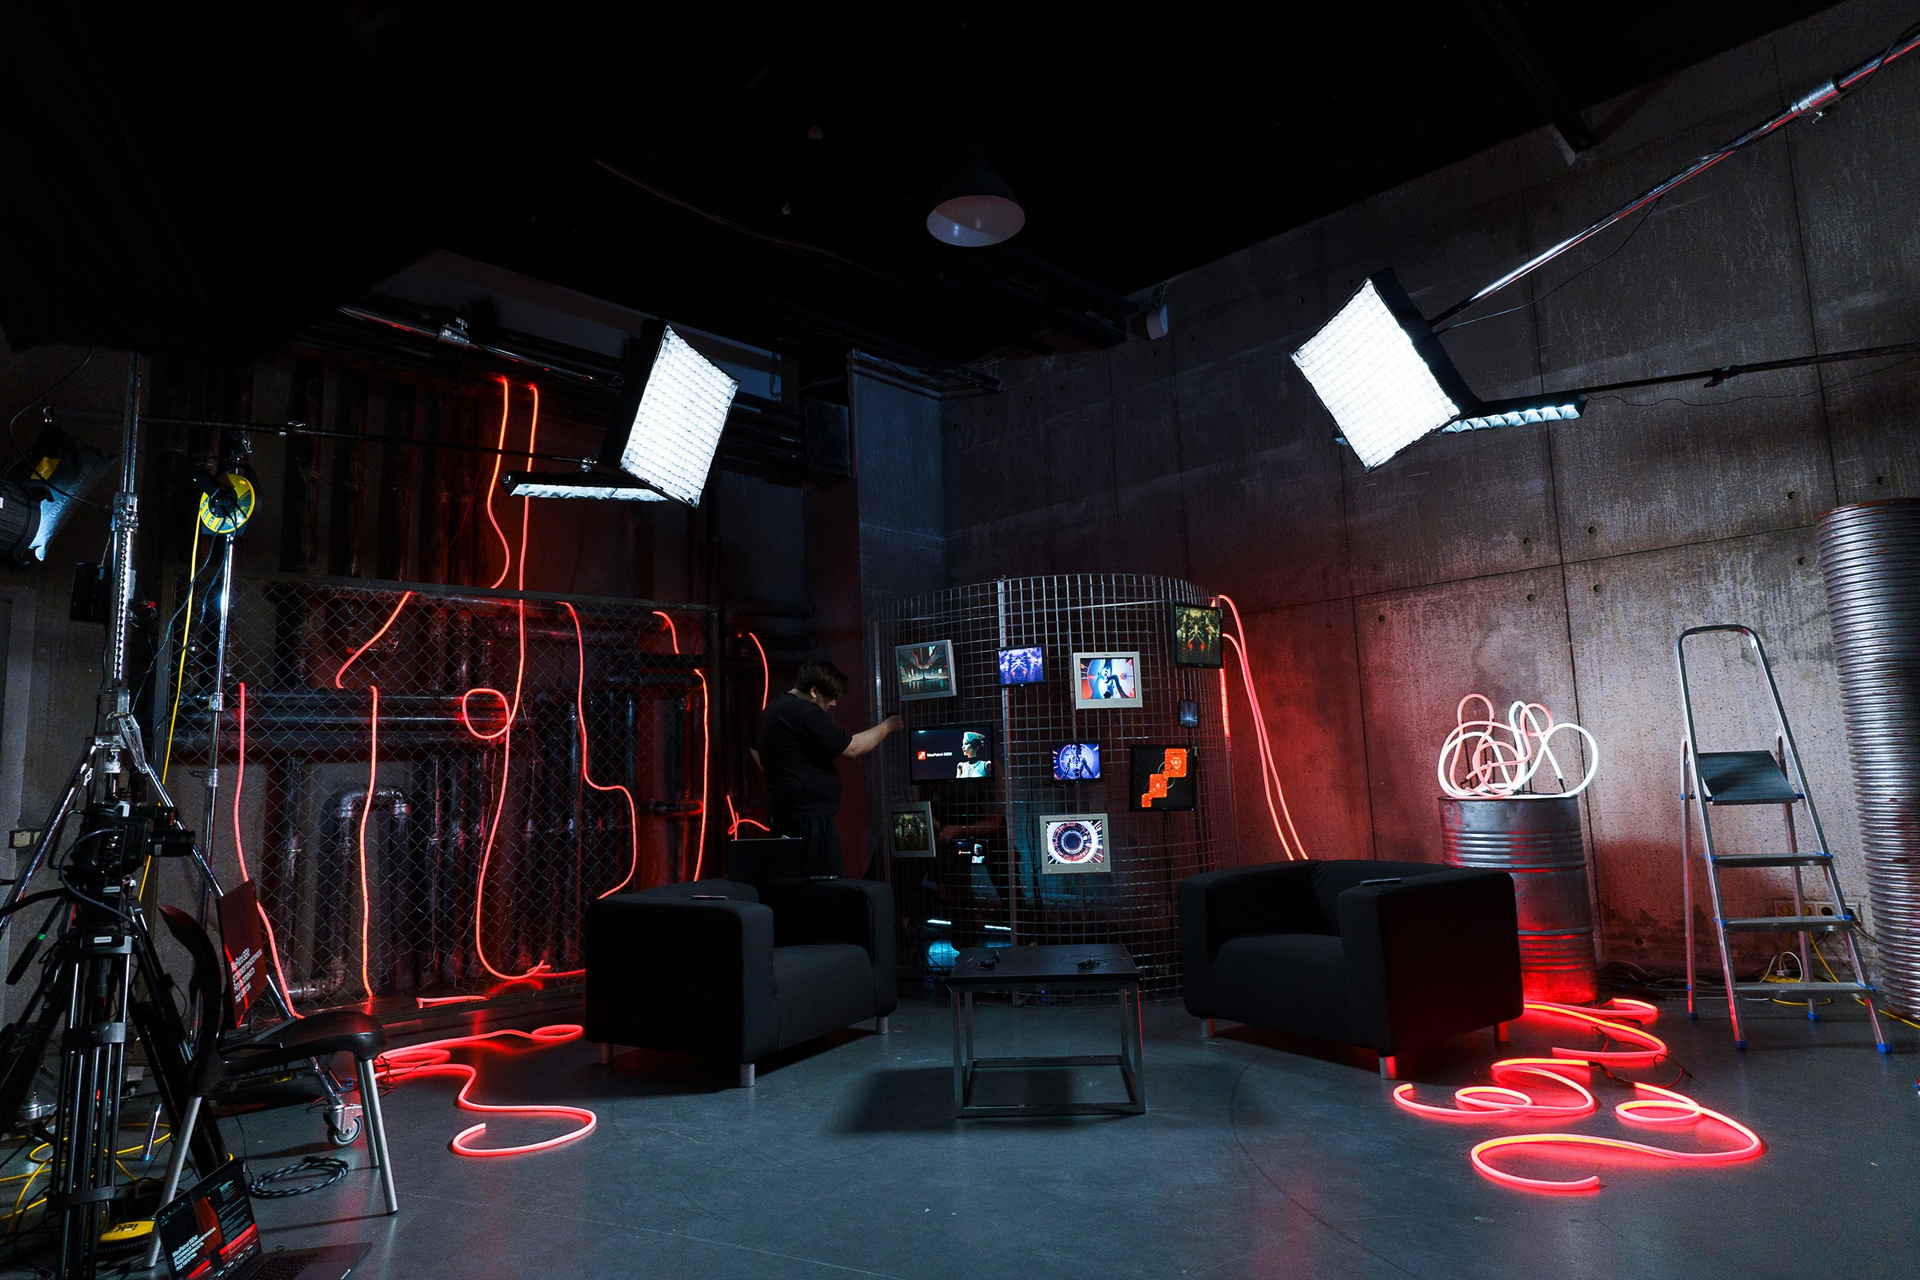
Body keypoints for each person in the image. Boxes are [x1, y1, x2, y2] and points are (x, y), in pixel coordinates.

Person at [751, 659, 901, 876]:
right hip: (810, 822)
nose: (834, 704)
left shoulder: (774, 707)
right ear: (814, 691)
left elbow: (753, 746)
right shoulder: (805, 712)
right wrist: (889, 725)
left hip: (788, 816)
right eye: (830, 697)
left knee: (794, 881)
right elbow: (853, 748)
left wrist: (781, 775)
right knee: (821, 883)